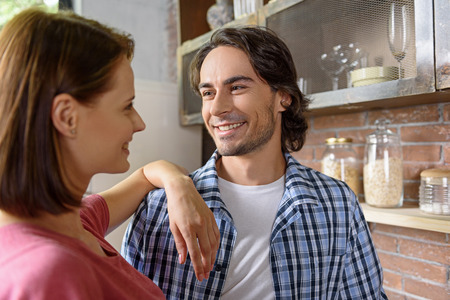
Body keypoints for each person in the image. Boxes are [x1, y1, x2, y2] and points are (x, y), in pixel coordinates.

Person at [122, 26, 387, 299]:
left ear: (283, 96)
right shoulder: (157, 209)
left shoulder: (338, 203)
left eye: (236, 87)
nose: (216, 109)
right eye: (208, 93)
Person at [0, 8, 219, 299]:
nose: (139, 123)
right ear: (67, 117)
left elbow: (144, 175)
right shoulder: (48, 273)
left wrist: (179, 184)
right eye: (126, 106)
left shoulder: (74, 219)